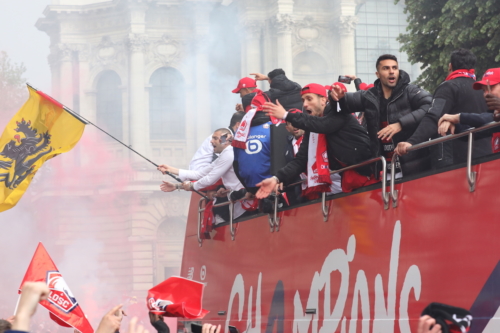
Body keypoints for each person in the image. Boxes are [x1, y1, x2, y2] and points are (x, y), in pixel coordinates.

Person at [257, 83, 373, 200]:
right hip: (347, 182)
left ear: (323, 100)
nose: (305, 104)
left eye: (309, 99)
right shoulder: (312, 129)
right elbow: (301, 160)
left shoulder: (338, 113)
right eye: (303, 100)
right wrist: (277, 178)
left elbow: (323, 125)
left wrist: (287, 115)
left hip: (369, 175)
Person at [331, 54, 433, 177]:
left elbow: (431, 107)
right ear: (378, 74)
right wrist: (337, 98)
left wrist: (400, 124)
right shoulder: (369, 96)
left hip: (415, 168)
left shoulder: (410, 91)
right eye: (386, 68)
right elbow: (342, 106)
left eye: (394, 68)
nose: (391, 72)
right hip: (385, 171)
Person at [395, 49, 492, 165]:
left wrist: (411, 142)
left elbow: (433, 117)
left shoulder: (448, 87)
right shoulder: (483, 89)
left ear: (450, 67)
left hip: (457, 160)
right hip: (488, 155)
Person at [158, 128, 254, 222]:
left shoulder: (229, 153)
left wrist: (192, 186)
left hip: (244, 203)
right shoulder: (225, 154)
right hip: (238, 202)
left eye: (215, 138)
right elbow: (200, 174)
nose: (211, 142)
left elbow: (210, 179)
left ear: (225, 139)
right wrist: (170, 169)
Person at [283, 109, 306, 205]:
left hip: (319, 188)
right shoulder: (286, 146)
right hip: (299, 193)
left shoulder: (314, 137)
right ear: (287, 128)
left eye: (297, 121)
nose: (295, 125)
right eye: (291, 123)